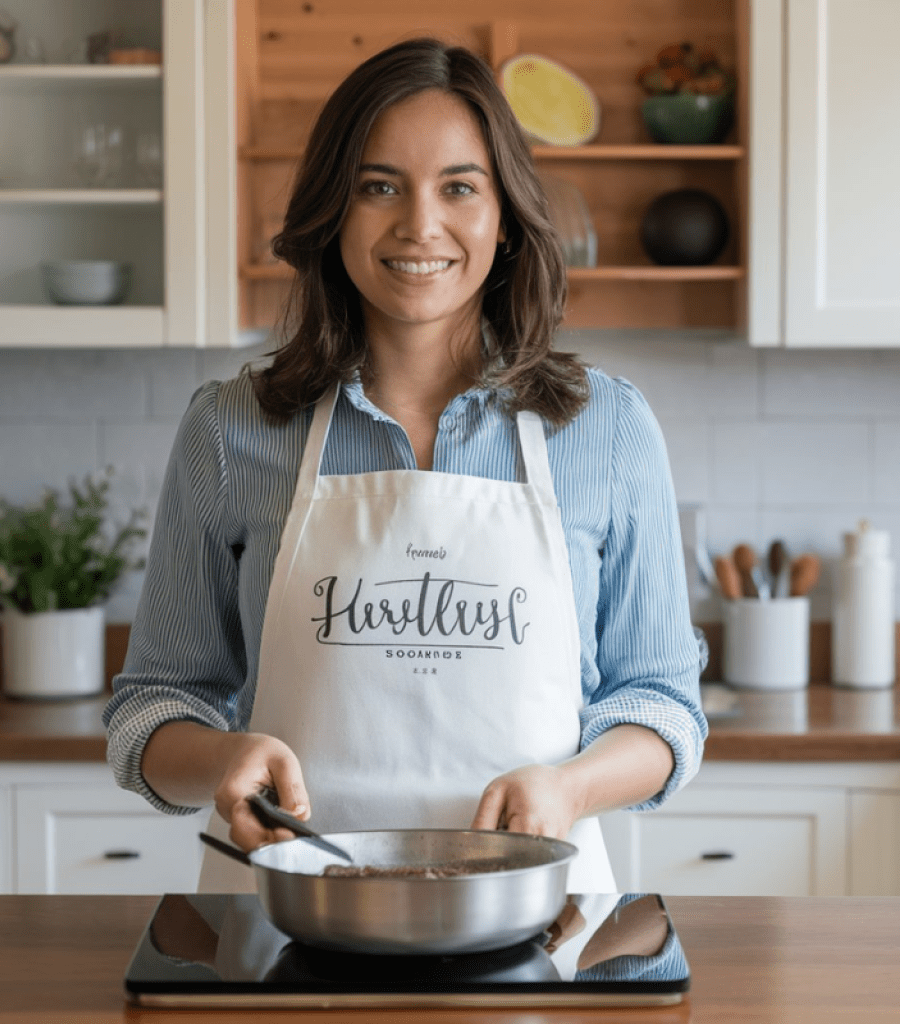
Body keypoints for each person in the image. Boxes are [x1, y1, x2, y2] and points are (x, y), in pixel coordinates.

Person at [103, 37, 708, 894]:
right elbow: (149, 713)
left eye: (459, 187)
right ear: (332, 212)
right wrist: (223, 758)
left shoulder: (606, 429)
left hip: (537, 922)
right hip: (285, 927)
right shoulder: (231, 429)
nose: (419, 225)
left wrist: (570, 786)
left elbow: (664, 707)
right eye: (378, 186)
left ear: (504, 219)